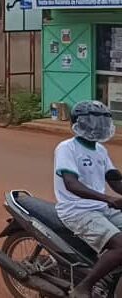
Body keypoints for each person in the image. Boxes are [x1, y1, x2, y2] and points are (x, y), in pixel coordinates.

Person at [54, 100, 122, 297]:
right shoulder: (67, 148)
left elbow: (114, 179)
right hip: (77, 210)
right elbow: (71, 183)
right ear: (78, 123)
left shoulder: (100, 150)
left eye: (101, 122)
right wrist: (108, 199)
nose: (96, 126)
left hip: (101, 208)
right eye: (91, 122)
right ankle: (84, 287)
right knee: (120, 246)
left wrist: (111, 196)